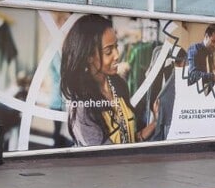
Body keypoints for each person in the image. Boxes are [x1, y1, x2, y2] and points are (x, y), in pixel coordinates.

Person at [61, 14, 157, 146]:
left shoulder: (118, 84)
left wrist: (155, 123)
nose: (117, 55)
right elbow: (107, 155)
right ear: (88, 56)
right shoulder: (82, 106)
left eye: (116, 46)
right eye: (108, 51)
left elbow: (128, 141)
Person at [186, 26, 215, 90]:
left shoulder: (209, 54)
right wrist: (213, 76)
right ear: (206, 36)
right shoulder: (195, 49)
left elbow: (207, 76)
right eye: (213, 41)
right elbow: (192, 75)